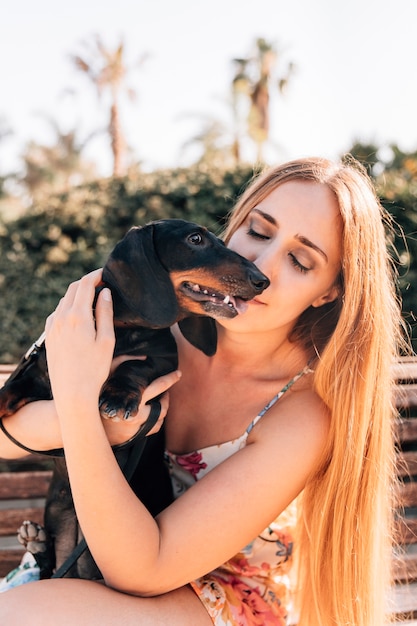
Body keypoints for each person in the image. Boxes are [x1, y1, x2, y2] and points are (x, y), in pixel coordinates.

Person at [0, 157, 404, 625]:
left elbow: (143, 569)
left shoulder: (301, 415)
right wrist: (89, 417)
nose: (261, 264)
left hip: (218, 601)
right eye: (257, 231)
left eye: (299, 260)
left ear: (328, 293)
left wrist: (78, 406)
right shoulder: (155, 335)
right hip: (95, 576)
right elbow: (7, 436)